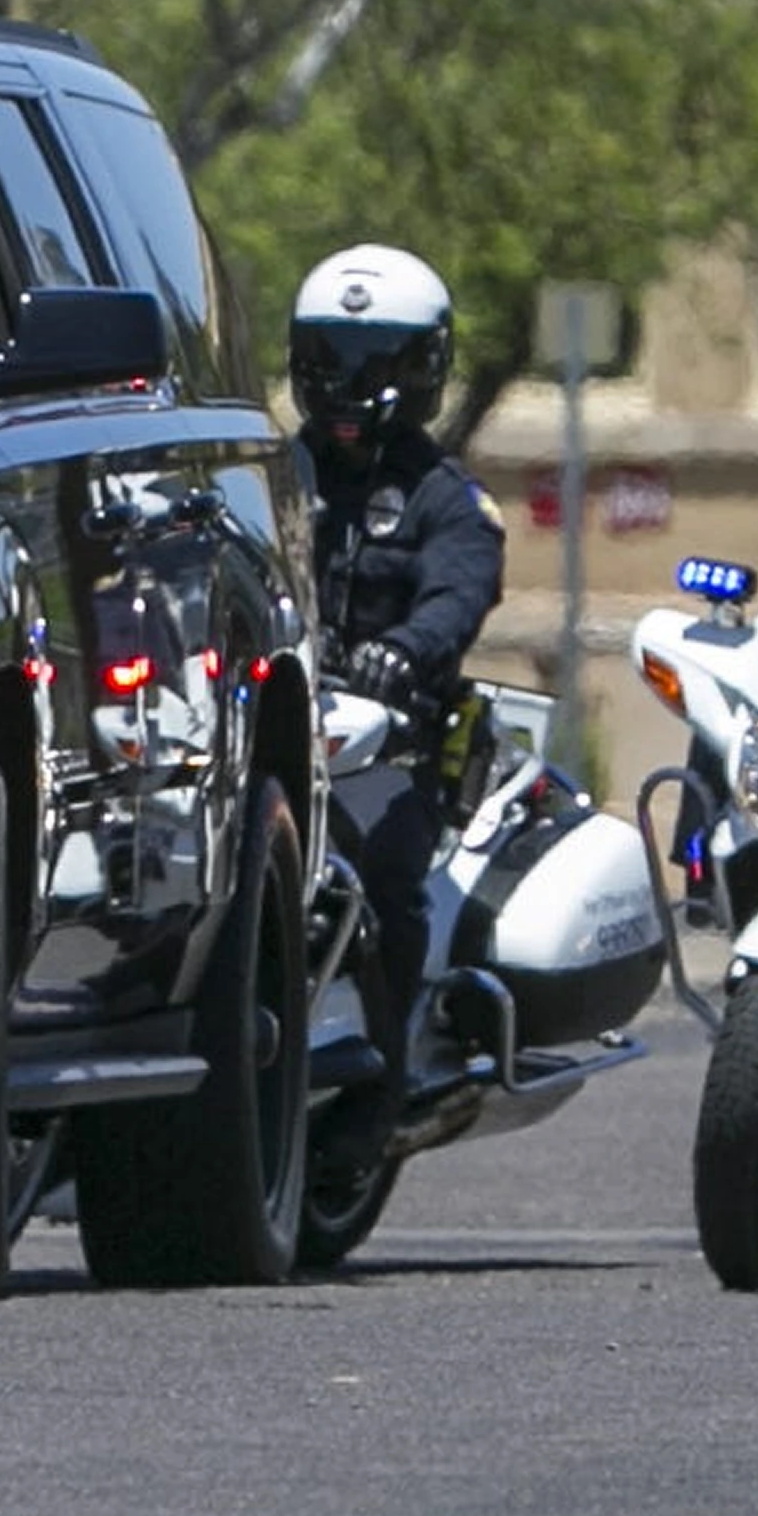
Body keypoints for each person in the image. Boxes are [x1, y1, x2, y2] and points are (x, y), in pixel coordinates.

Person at [289, 244, 504, 1071]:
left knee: (386, 875)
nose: (347, 385)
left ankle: (386, 1062)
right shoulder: (273, 478)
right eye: (328, 358)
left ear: (423, 367)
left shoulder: (445, 497)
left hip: (394, 747)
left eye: (374, 361)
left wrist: (403, 650)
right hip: (277, 721)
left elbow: (462, 590)